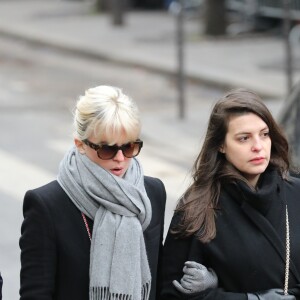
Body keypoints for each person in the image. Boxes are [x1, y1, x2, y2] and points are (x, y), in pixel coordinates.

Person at [20, 85, 166, 300]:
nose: (120, 158)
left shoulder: (151, 193)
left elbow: (160, 279)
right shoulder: (46, 205)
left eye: (129, 147)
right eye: (107, 149)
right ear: (80, 144)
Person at [160, 88, 300, 300]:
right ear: (221, 145)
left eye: (264, 134)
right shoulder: (196, 208)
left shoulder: (296, 192)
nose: (258, 146)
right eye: (244, 138)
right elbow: (169, 293)